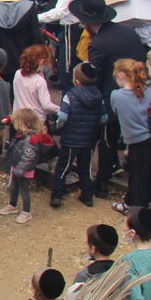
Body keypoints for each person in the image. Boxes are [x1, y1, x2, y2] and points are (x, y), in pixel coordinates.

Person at [73, 0, 148, 196]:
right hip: (138, 94)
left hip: (111, 97)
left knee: (107, 140)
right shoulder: (128, 33)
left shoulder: (98, 43)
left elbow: (93, 76)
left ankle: (102, 181)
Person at [50, 62, 107, 208]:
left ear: (77, 81)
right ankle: (87, 197)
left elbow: (62, 117)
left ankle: (57, 195)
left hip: (70, 140)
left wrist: (57, 128)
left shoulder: (70, 96)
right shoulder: (98, 96)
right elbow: (104, 118)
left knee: (63, 167)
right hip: (88, 140)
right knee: (85, 168)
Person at [110, 58, 151, 213]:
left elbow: (115, 112)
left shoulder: (117, 96)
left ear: (120, 75)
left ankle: (135, 210)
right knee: (146, 176)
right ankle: (134, 203)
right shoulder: (147, 91)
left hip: (135, 142)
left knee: (136, 178)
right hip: (150, 140)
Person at [0, 109, 50, 225]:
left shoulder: (29, 140)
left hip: (24, 170)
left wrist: (20, 170)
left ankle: (27, 211)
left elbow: (28, 158)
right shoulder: (24, 135)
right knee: (14, 187)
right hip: (17, 167)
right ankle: (13, 205)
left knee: (23, 190)